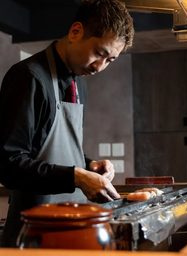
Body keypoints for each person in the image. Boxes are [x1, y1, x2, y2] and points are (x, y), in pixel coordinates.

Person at [0, 0, 134, 248]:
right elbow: (8, 165)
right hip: (33, 236)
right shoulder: (28, 78)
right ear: (75, 32)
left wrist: (89, 164)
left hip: (72, 230)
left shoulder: (78, 85)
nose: (99, 67)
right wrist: (77, 177)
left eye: (110, 60)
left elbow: (54, 147)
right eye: (99, 54)